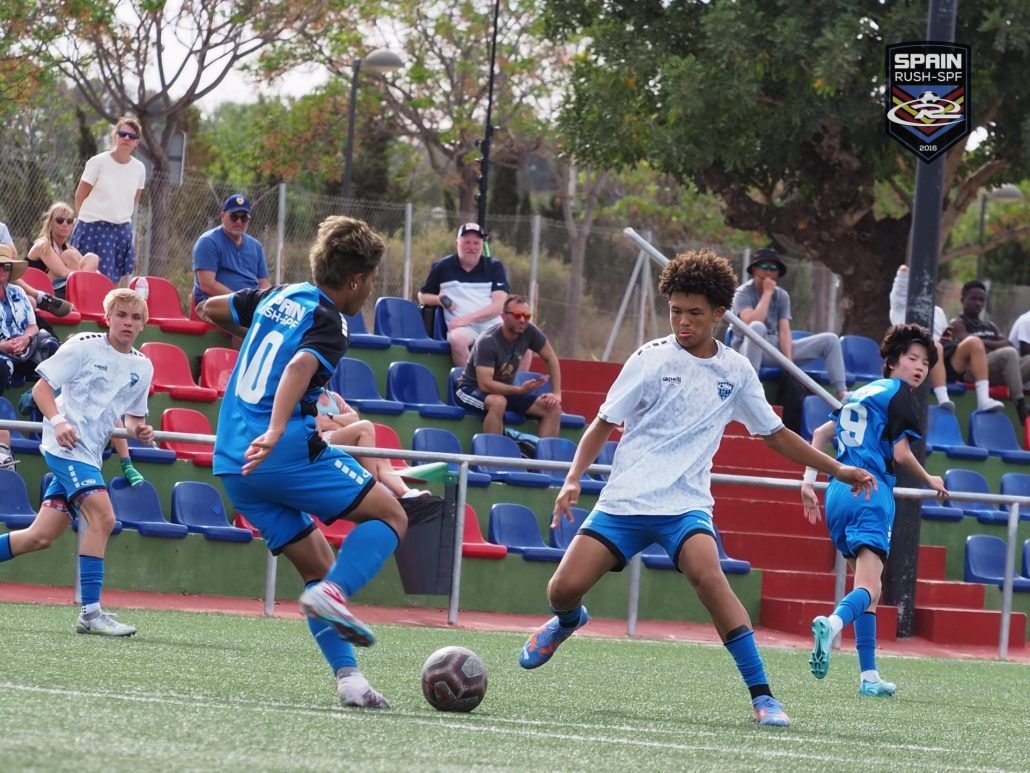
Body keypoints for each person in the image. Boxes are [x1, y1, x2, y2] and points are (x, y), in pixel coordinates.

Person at [517, 250, 875, 728]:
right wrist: (573, 478)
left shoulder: (736, 372)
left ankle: (763, 697)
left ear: (720, 314)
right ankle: (567, 621)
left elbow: (776, 436)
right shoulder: (649, 359)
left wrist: (838, 468)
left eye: (695, 313)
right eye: (675, 311)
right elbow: (602, 424)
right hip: (624, 503)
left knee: (710, 578)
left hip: (685, 506)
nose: (683, 322)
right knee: (562, 589)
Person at [197, 215, 409, 710]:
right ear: (355, 280)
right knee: (392, 514)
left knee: (318, 566)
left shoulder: (280, 295)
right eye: (372, 281)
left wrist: (252, 332)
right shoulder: (331, 322)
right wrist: (275, 428)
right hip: (278, 452)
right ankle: (335, 594)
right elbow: (297, 365)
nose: (370, 290)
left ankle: (350, 680)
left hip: (232, 463)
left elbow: (209, 307)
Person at [802, 324, 948, 697]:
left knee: (872, 588)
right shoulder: (900, 396)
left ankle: (869, 677)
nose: (919, 367)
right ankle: (831, 625)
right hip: (869, 491)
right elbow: (900, 454)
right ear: (892, 362)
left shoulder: (861, 393)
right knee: (869, 585)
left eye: (925, 362)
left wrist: (807, 482)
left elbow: (820, 436)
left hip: (837, 491)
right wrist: (928, 476)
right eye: (912, 358)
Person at [0, 288, 154, 636]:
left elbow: (130, 419)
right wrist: (58, 421)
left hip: (90, 456)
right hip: (64, 447)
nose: (128, 322)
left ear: (144, 325)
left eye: (135, 318)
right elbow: (42, 390)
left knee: (39, 537)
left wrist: (140, 430)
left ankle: (91, 612)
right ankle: (91, 613)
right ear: (108, 318)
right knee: (103, 515)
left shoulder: (142, 366)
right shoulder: (83, 345)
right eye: (122, 315)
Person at [730, 248, 849, 400]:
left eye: (773, 269)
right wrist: (767, 294)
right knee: (757, 327)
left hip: (774, 349)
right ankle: (750, 388)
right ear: (754, 269)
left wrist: (789, 364)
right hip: (749, 350)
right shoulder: (742, 293)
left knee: (830, 340)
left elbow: (785, 331)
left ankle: (842, 393)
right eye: (764, 267)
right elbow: (752, 322)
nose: (769, 273)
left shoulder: (782, 295)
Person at [890, 266, 1003, 413]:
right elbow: (900, 288)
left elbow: (945, 340)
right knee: (934, 346)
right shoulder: (901, 307)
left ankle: (983, 400)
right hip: (910, 361)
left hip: (938, 363)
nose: (925, 289)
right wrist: (905, 272)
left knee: (974, 342)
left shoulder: (938, 312)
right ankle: (943, 398)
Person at [454, 294, 563, 437]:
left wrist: (556, 393)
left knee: (553, 409)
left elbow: (551, 358)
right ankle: (493, 456)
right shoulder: (488, 341)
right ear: (503, 316)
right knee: (498, 402)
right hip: (470, 390)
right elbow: (485, 385)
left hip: (505, 392)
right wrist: (519, 390)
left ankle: (544, 458)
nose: (523, 320)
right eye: (517, 315)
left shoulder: (529, 331)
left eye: (527, 315)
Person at [417, 222, 509, 367]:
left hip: (492, 326)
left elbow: (498, 306)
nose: (471, 247)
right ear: (457, 243)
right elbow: (422, 296)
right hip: (463, 330)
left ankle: (510, 388)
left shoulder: (495, 267)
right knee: (457, 340)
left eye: (476, 243)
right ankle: (472, 385)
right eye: (467, 242)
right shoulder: (442, 267)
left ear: (482, 245)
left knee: (524, 345)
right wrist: (438, 299)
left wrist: (467, 319)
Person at [71, 116, 147, 284]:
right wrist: (85, 219)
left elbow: (134, 199)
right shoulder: (98, 162)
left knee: (112, 285)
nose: (126, 138)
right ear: (115, 136)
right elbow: (80, 196)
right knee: (85, 282)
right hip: (92, 228)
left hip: (120, 230)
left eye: (132, 136)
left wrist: (118, 217)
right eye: (122, 134)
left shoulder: (139, 169)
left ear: (137, 142)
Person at [314, 389, 428, 499]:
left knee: (381, 458)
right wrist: (343, 423)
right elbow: (321, 424)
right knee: (365, 426)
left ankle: (405, 492)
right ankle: (374, 486)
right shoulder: (308, 396)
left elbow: (355, 418)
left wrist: (330, 416)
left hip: (346, 441)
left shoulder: (334, 397)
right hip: (324, 441)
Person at [948, 280, 1030, 424]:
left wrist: (981, 343)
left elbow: (1007, 342)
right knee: (1009, 353)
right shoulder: (957, 323)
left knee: (1016, 355)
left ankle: (1015, 387)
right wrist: (987, 345)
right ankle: (1020, 405)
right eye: (973, 299)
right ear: (963, 300)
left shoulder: (990, 325)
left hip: (998, 371)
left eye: (981, 300)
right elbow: (965, 340)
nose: (978, 303)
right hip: (973, 372)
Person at [192, 194, 271, 306]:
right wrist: (240, 302)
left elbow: (264, 282)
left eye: (244, 217)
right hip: (213, 303)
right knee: (245, 323)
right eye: (234, 216)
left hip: (249, 306)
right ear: (222, 216)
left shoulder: (256, 246)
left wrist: (264, 300)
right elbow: (207, 285)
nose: (239, 221)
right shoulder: (208, 242)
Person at [0, 255, 60, 393]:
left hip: (24, 348)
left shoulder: (18, 291)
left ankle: (45, 401)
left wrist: (26, 338)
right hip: (2, 352)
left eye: (6, 266)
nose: (2, 269)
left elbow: (33, 326)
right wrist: (3, 346)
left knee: (51, 345)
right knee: (2, 364)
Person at [27, 202, 101, 295]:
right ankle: (82, 295)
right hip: (38, 290)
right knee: (69, 255)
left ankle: (82, 295)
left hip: (61, 286)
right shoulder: (43, 245)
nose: (65, 224)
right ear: (50, 223)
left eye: (69, 221)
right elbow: (64, 273)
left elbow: (93, 269)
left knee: (92, 258)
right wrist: (89, 277)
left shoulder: (69, 248)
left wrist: (93, 274)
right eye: (60, 220)